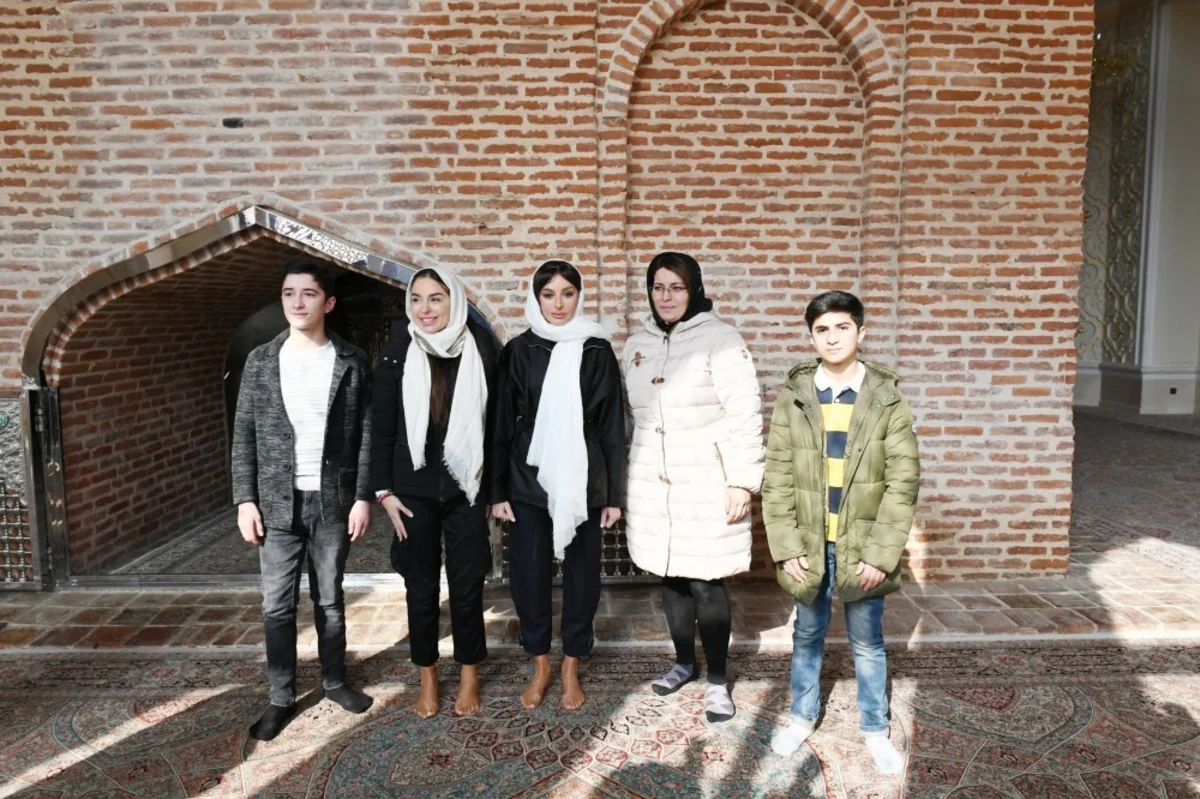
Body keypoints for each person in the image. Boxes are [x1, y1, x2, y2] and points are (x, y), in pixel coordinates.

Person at [763, 290, 919, 774]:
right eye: (822, 330)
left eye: (842, 327)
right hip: (810, 543)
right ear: (812, 337)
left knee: (867, 640)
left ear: (861, 332)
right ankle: (801, 717)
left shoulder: (886, 398)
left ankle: (875, 729)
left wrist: (880, 554)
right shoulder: (795, 397)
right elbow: (777, 476)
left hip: (863, 546)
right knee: (806, 632)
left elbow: (902, 481)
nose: (832, 338)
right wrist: (787, 546)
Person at [231, 259, 375, 742]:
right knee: (277, 605)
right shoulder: (261, 361)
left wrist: (362, 497)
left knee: (330, 599)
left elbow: (366, 434)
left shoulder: (352, 360)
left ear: (328, 303)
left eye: (308, 294)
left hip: (332, 500)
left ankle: (334, 681)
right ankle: (280, 697)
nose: (297, 302)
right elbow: (243, 434)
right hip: (276, 502)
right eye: (289, 293)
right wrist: (245, 499)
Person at [621, 251, 765, 723]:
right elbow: (630, 416)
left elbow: (745, 414)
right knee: (672, 577)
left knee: (706, 581)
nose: (666, 297)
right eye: (658, 287)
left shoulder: (721, 340)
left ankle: (719, 681)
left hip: (706, 481)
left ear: (694, 289)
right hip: (654, 484)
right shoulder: (637, 343)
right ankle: (684, 663)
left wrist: (742, 482)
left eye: (677, 288)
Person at [488, 260, 625, 711]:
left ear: (579, 297)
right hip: (527, 477)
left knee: (583, 575)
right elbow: (501, 423)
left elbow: (612, 425)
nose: (559, 304)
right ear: (536, 297)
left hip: (584, 477)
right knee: (528, 574)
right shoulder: (518, 350)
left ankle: (571, 663)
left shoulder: (596, 349)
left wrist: (614, 495)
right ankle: (541, 663)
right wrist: (497, 491)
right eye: (549, 294)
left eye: (568, 293)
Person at [370, 266, 498, 719]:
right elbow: (381, 426)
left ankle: (469, 673)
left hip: (467, 489)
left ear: (454, 301)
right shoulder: (397, 353)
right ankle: (427, 674)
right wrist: (383, 492)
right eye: (417, 299)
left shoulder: (481, 349)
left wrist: (492, 491)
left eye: (436, 298)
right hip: (411, 493)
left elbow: (496, 429)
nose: (425, 309)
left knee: (467, 585)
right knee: (420, 588)